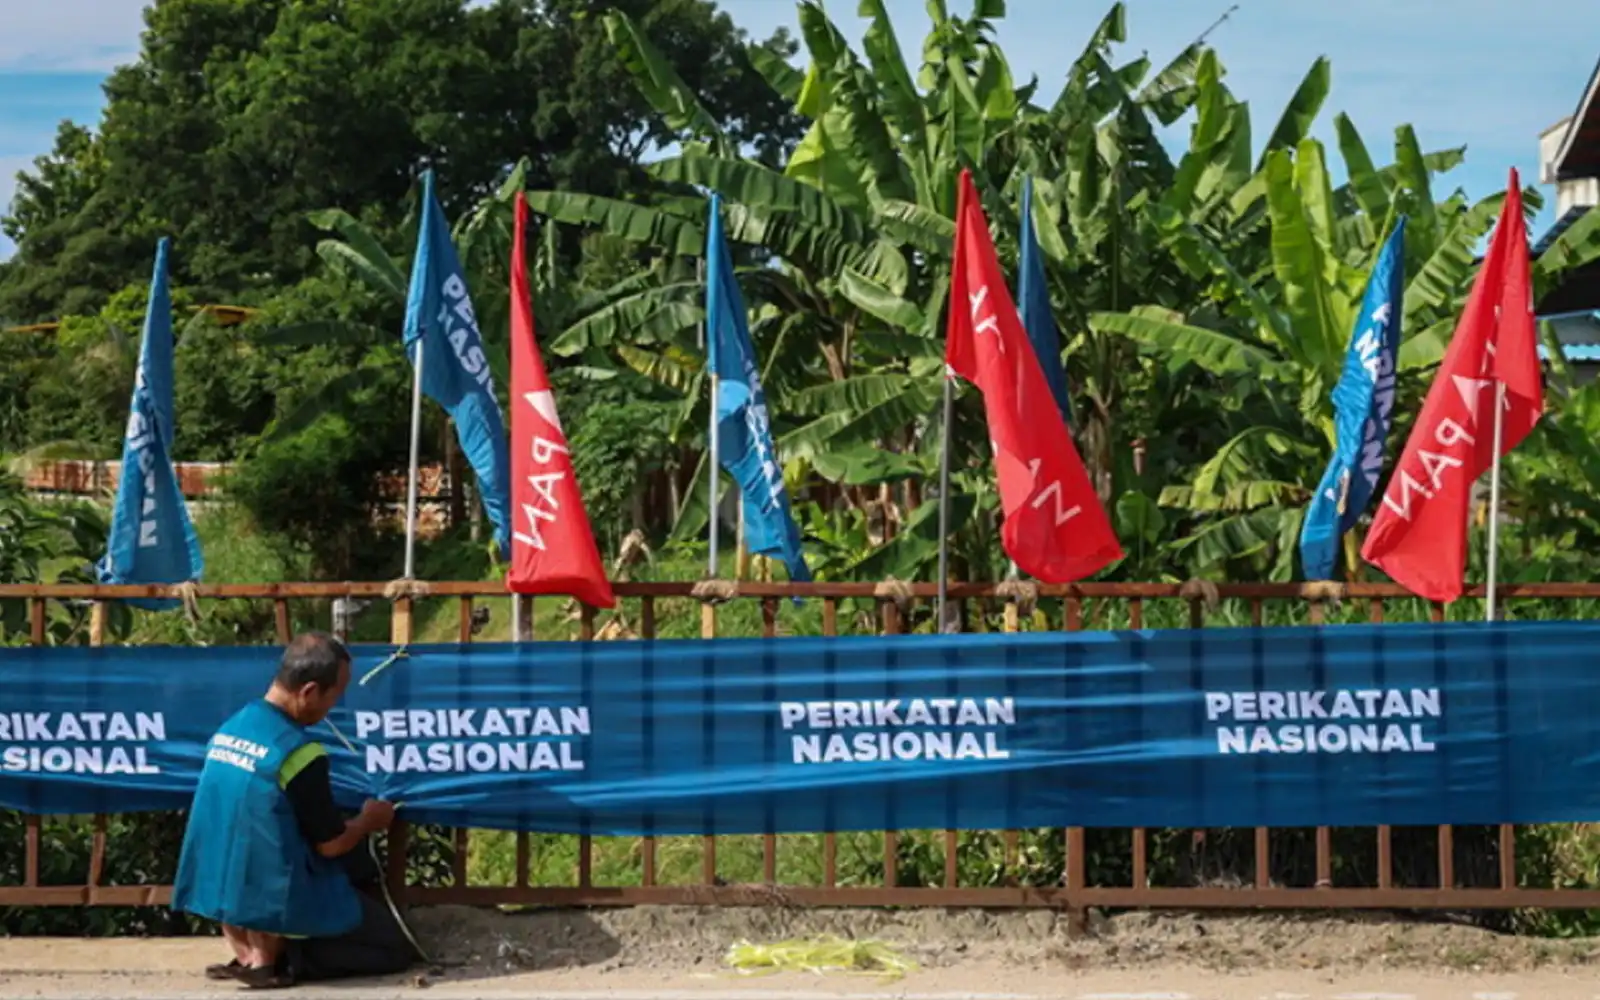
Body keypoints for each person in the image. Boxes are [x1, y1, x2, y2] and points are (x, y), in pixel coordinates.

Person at [172, 632, 413, 989]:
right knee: (394, 950)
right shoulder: (300, 753)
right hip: (272, 896)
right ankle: (284, 959)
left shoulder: (233, 726)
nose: (334, 707)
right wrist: (369, 820)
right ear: (309, 692)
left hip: (224, 892)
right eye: (335, 696)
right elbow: (331, 845)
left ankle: (254, 952)